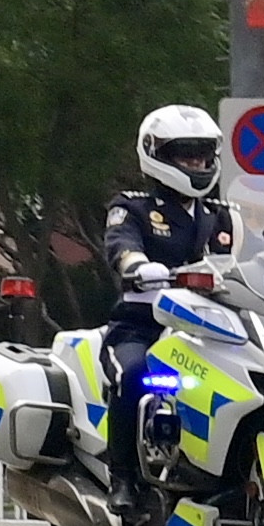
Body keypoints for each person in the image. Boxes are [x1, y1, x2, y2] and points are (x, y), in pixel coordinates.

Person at [100, 102, 239, 485]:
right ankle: (123, 479)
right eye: (184, 154)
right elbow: (120, 246)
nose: (196, 163)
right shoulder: (133, 208)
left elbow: (250, 262)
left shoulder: (221, 216)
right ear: (157, 155)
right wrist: (137, 265)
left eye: (202, 154)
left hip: (208, 332)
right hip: (141, 327)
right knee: (134, 375)